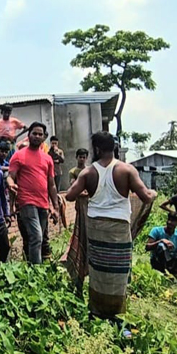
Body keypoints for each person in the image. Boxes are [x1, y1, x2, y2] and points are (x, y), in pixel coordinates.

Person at [65, 131, 156, 321]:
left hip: (96, 227)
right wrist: (153, 193)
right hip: (119, 227)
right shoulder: (126, 170)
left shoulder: (88, 172)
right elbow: (146, 197)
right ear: (114, 147)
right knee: (118, 269)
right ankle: (116, 311)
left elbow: (70, 196)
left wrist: (87, 192)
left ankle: (96, 310)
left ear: (96, 148)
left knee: (98, 268)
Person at [8, 123, 60, 264]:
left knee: (39, 238)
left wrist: (55, 207)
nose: (37, 136)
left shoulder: (47, 159)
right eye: (34, 133)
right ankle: (36, 273)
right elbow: (10, 176)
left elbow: (52, 184)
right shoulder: (18, 156)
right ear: (28, 135)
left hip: (43, 203)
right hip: (26, 202)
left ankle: (30, 267)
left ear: (43, 137)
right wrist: (10, 184)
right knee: (36, 237)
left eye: (40, 134)